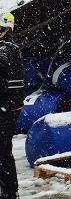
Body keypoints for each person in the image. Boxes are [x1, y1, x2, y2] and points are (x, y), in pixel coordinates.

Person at [0, 13, 23, 199]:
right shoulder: (11, 48)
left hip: (4, 109)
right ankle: (10, 192)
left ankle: (8, 192)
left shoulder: (5, 49)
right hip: (8, 108)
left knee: (2, 153)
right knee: (5, 152)